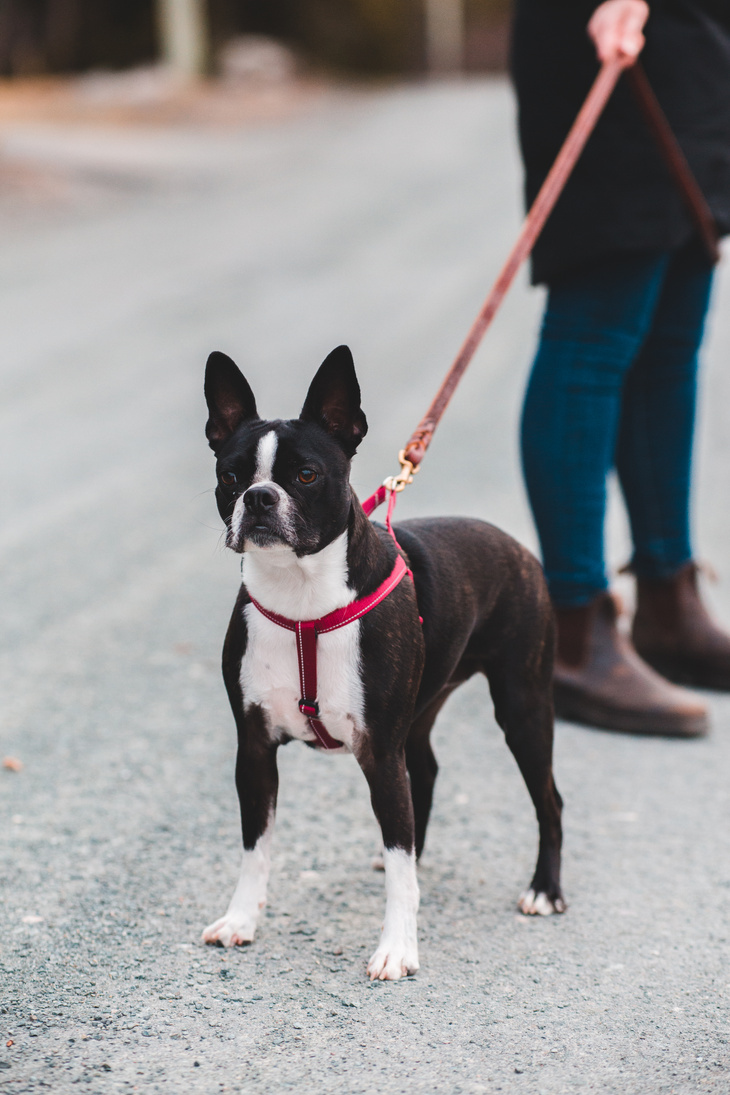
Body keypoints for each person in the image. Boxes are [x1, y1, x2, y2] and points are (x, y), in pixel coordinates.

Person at [510, 0, 730, 734]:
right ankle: (573, 630)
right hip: (607, 29)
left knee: (671, 341)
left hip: (695, 42)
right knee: (594, 335)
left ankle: (669, 602)